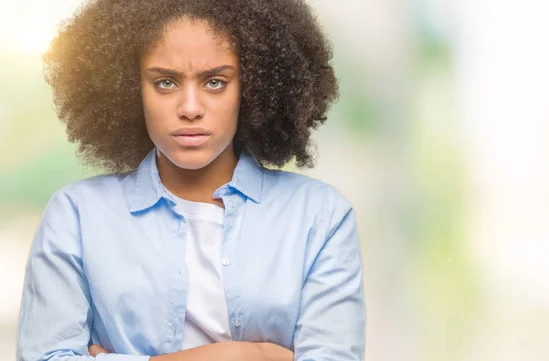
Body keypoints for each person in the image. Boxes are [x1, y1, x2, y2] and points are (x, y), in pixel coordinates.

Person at [16, 0, 366, 360]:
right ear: (129, 88)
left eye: (215, 82)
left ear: (253, 88)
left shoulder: (319, 217)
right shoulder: (76, 216)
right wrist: (247, 356)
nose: (190, 108)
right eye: (165, 82)